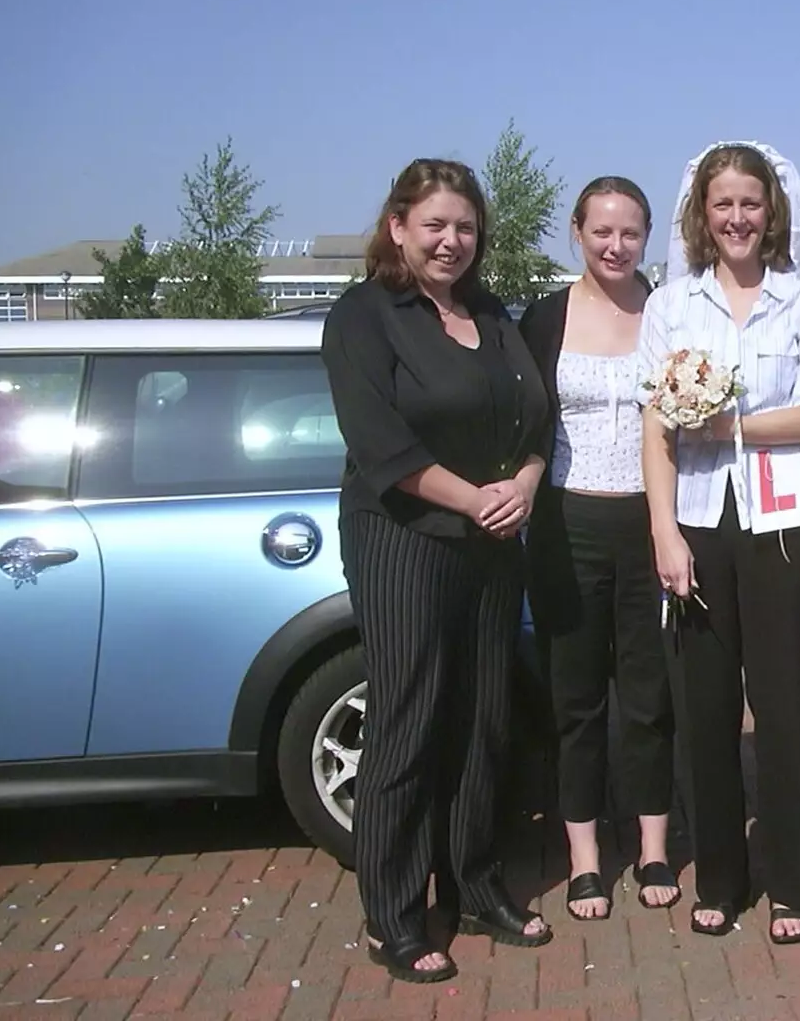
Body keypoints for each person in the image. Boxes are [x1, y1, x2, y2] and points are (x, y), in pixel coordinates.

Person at [321, 158, 555, 983]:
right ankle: (393, 913)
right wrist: (475, 499)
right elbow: (381, 445)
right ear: (398, 227)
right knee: (410, 720)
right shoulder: (363, 316)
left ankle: (475, 883)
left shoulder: (491, 314)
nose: (451, 241)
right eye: (435, 225)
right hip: (404, 539)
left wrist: (523, 484)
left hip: (493, 543)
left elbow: (539, 416)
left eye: (464, 227)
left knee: (485, 719)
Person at [637, 142, 800, 944]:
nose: (737, 219)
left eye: (750, 203)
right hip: (697, 519)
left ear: (773, 209)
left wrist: (730, 423)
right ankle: (720, 877)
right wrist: (663, 531)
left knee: (789, 709)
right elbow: (656, 422)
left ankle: (791, 882)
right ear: (701, 214)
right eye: (722, 204)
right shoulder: (672, 306)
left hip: (788, 523)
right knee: (705, 709)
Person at [518, 177, 680, 921]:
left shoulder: (671, 312)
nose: (616, 247)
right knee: (576, 699)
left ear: (648, 238)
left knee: (649, 699)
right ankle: (585, 855)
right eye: (601, 232)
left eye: (630, 234)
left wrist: (670, 525)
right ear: (576, 233)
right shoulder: (545, 318)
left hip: (652, 522)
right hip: (567, 522)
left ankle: (652, 845)